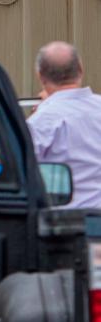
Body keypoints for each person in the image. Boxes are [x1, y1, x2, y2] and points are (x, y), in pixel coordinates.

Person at [27, 42, 101, 208]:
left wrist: (45, 110)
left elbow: (25, 172)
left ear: (40, 76)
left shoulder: (40, 123)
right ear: (81, 68)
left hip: (67, 224)